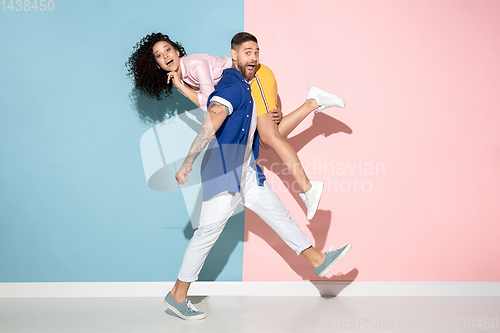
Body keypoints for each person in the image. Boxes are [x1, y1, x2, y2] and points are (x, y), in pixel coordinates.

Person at [161, 32, 351, 320]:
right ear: (233, 55)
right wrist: (188, 163)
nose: (253, 58)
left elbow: (259, 132)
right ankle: (177, 295)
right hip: (224, 173)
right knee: (207, 234)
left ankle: (318, 260)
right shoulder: (231, 86)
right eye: (247, 52)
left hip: (247, 171)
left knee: (279, 215)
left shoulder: (248, 89)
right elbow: (209, 126)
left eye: (257, 53)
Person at [126, 33, 345, 220]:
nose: (166, 56)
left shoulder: (193, 65)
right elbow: (214, 104)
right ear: (157, 64)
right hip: (247, 87)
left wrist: (181, 87)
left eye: (168, 50)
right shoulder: (186, 76)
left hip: (255, 76)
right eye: (159, 55)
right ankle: (313, 102)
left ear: (177, 51)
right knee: (268, 140)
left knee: (270, 138)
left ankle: (308, 187)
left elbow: (208, 101)